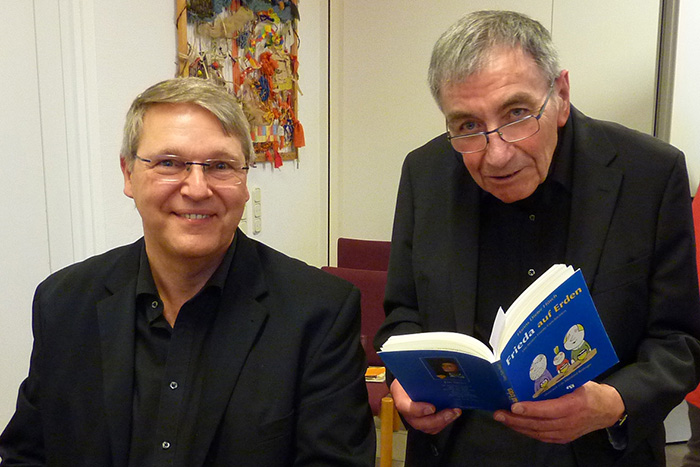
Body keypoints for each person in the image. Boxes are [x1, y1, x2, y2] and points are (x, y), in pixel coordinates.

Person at [374, 10, 700, 467]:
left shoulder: (649, 173)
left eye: (517, 113)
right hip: (458, 450)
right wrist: (403, 384)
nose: (497, 153)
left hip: (597, 449)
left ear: (561, 95)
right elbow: (403, 314)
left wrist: (613, 402)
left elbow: (678, 341)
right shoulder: (425, 173)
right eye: (467, 125)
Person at [0, 77, 375, 466]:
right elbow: (26, 455)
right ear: (128, 174)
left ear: (245, 181)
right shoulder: (63, 302)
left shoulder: (319, 312)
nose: (197, 188)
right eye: (169, 163)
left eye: (220, 166)